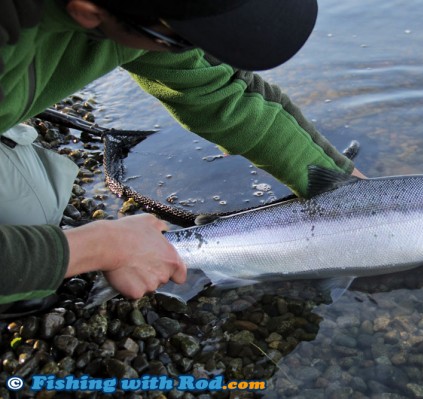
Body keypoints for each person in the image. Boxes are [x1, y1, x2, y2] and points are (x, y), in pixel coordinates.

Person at [0, 0, 364, 316]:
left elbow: (222, 92)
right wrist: (94, 247)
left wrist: (340, 179)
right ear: (88, 12)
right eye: (184, 40)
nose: (197, 53)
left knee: (31, 205)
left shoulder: (147, 15)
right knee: (28, 223)